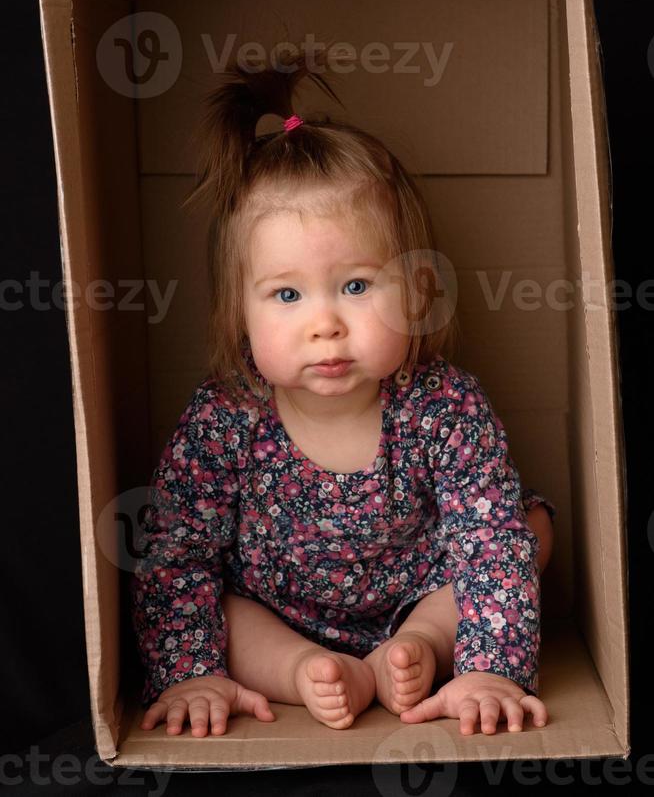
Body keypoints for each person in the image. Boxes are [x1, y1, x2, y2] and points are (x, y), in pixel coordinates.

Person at [130, 45, 556, 740]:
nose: (324, 324)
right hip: (276, 611)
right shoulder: (227, 415)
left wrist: (492, 667)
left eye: (356, 286)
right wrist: (190, 672)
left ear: (417, 291)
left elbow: (486, 541)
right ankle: (308, 671)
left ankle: (417, 651)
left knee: (528, 531)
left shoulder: (442, 405)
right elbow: (179, 552)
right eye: (287, 294)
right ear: (240, 312)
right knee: (221, 605)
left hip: (420, 593)